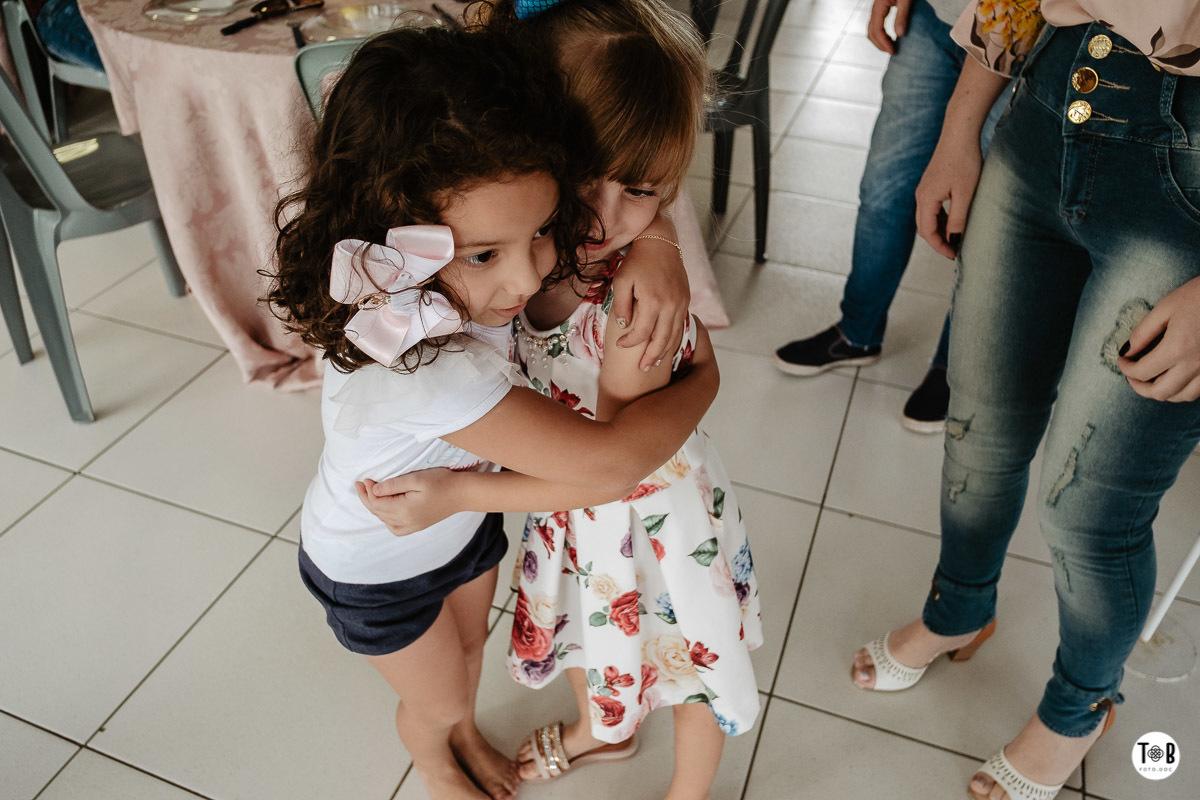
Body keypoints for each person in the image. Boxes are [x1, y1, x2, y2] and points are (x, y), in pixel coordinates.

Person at [268, 27, 721, 800]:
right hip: (376, 569)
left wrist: (660, 244)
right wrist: (704, 384)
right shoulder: (429, 371)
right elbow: (608, 467)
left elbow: (620, 204)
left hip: (458, 527)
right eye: (487, 254)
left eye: (544, 228)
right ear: (395, 231)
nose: (532, 271)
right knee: (435, 696)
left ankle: (465, 732)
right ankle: (436, 760)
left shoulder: (452, 254)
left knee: (469, 659)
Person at [853, 2, 1200, 799]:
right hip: (1041, 114)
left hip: (1187, 201)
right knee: (978, 427)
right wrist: (959, 126)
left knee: (1088, 509)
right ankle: (958, 610)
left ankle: (1080, 708)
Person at [772, 0, 1004, 434]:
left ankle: (956, 368)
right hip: (936, 18)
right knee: (884, 187)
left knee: (983, 215)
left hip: (1021, 46)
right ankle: (857, 333)